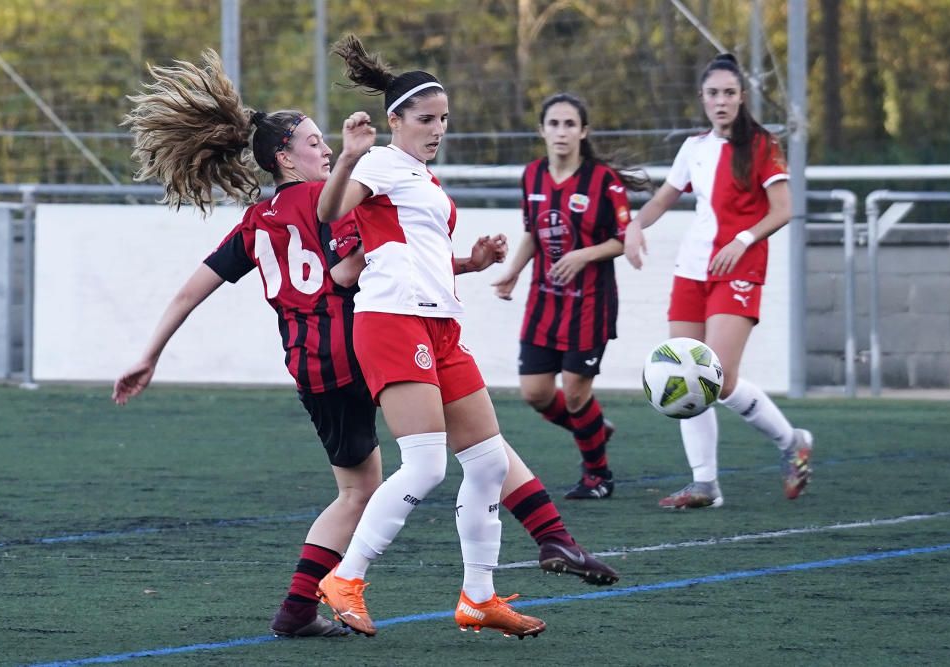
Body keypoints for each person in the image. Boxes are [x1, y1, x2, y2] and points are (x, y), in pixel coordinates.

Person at [114, 48, 616, 641]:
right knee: (460, 455)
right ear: (285, 157)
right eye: (313, 143)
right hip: (371, 338)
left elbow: (192, 290)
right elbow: (350, 268)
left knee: (374, 485)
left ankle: (304, 607)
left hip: (313, 365)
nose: (326, 149)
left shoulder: (257, 220)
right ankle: (534, 539)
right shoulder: (342, 188)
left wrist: (149, 352)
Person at [312, 34, 610, 639]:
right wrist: (347, 155)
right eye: (426, 119)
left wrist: (469, 264)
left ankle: (479, 597)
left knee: (487, 464)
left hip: (440, 323)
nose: (437, 128)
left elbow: (410, 252)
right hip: (393, 322)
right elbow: (329, 212)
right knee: (424, 468)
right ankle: (346, 577)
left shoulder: (422, 175)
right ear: (396, 120)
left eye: (443, 119)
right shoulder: (377, 162)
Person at [623, 53, 813, 510]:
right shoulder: (695, 147)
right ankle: (705, 484)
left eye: (729, 93)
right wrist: (631, 225)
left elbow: (784, 209)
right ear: (703, 99)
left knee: (720, 379)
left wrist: (743, 239)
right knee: (686, 375)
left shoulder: (762, 145)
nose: (721, 101)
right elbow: (663, 200)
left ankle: (792, 442)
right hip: (691, 270)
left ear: (742, 97)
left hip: (739, 268)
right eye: (713, 93)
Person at [492, 92, 649, 500]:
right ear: (542, 130)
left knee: (577, 394)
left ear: (584, 131)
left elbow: (622, 239)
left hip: (590, 306)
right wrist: (512, 272)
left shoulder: (604, 181)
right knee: (536, 393)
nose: (561, 132)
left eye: (569, 124)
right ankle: (595, 427)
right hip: (543, 303)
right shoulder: (532, 176)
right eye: (554, 124)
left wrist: (583, 255)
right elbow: (532, 232)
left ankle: (598, 476)